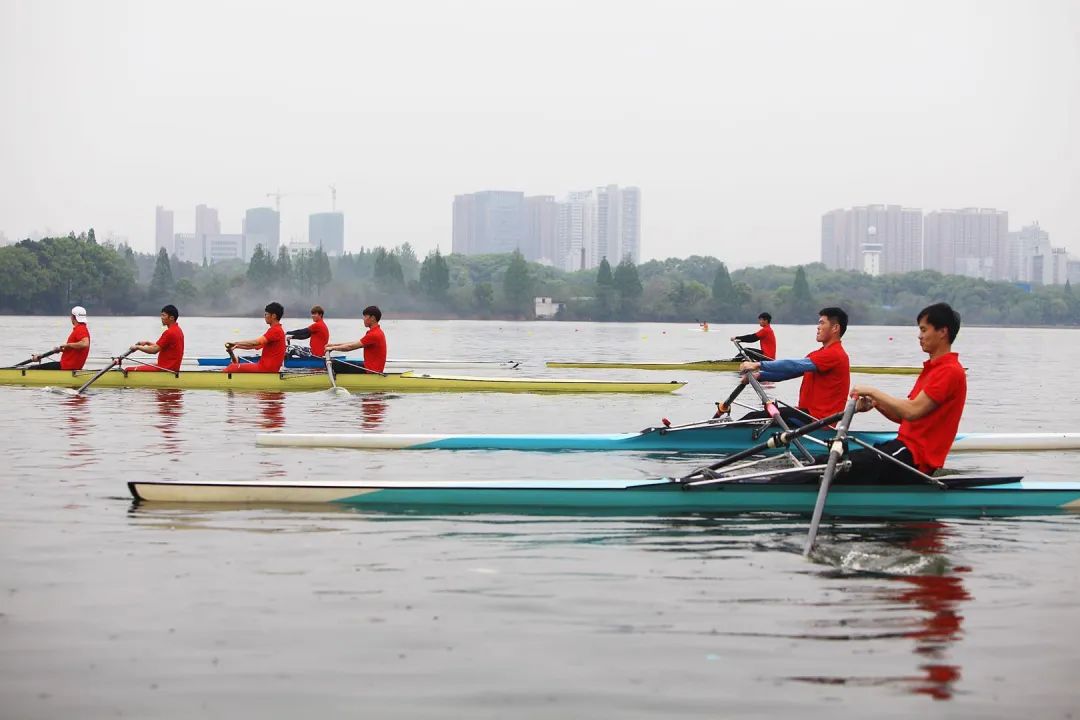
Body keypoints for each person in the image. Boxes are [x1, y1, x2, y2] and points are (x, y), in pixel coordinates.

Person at [847, 303, 966, 483]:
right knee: (837, 462)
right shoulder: (933, 369)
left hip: (915, 458)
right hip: (903, 450)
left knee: (839, 466)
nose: (920, 336)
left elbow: (911, 411)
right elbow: (904, 417)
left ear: (942, 332)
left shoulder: (949, 371)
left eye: (924, 330)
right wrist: (876, 403)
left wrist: (873, 391)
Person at [726, 307, 850, 423]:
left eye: (822, 323)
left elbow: (793, 365)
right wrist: (759, 376)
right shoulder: (818, 354)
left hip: (817, 420)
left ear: (835, 328)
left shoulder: (835, 354)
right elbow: (790, 372)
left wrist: (758, 364)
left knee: (752, 418)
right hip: (807, 414)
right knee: (757, 416)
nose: (818, 327)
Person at [223, 302, 287, 373]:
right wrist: (237, 346)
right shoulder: (277, 330)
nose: (265, 316)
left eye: (266, 314)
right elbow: (255, 345)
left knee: (232, 367)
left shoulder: (275, 330)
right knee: (235, 365)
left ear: (274, 316)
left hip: (266, 369)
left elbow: (256, 342)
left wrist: (236, 342)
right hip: (267, 368)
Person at [324, 305, 387, 373]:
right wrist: (333, 345)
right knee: (338, 363)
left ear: (372, 318)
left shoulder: (374, 334)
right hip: (370, 368)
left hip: (371, 371)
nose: (363, 319)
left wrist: (332, 348)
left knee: (333, 364)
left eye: (365, 316)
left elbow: (350, 347)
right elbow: (354, 343)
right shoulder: (376, 331)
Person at [31, 306, 91, 370]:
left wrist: (67, 345)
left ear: (73, 317)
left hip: (66, 367)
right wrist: (62, 349)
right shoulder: (82, 328)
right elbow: (76, 349)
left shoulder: (81, 329)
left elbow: (85, 344)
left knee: (32, 368)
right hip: (71, 367)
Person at [128, 304, 185, 372]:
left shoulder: (169, 332)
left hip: (166, 369)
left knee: (128, 370)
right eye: (161, 315)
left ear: (171, 318)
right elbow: (159, 346)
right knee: (150, 364)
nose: (161, 317)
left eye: (164, 315)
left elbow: (154, 350)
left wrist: (137, 347)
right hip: (171, 368)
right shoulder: (178, 330)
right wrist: (147, 343)